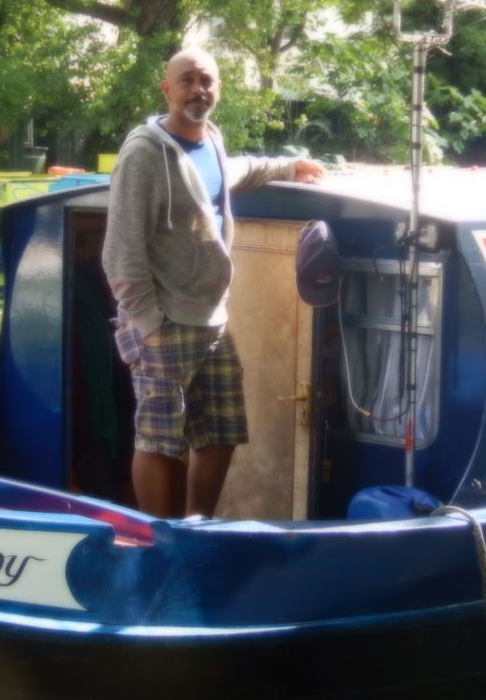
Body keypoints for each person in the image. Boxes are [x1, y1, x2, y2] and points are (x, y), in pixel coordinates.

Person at [102, 47, 325, 518]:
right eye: (186, 80)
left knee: (221, 432)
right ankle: (163, 543)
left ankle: (197, 527)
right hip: (162, 318)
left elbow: (233, 172)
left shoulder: (212, 142)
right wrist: (149, 323)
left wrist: (286, 168)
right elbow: (120, 250)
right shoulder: (143, 154)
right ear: (167, 89)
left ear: (217, 89)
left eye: (206, 80)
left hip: (212, 318)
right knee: (159, 440)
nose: (197, 89)